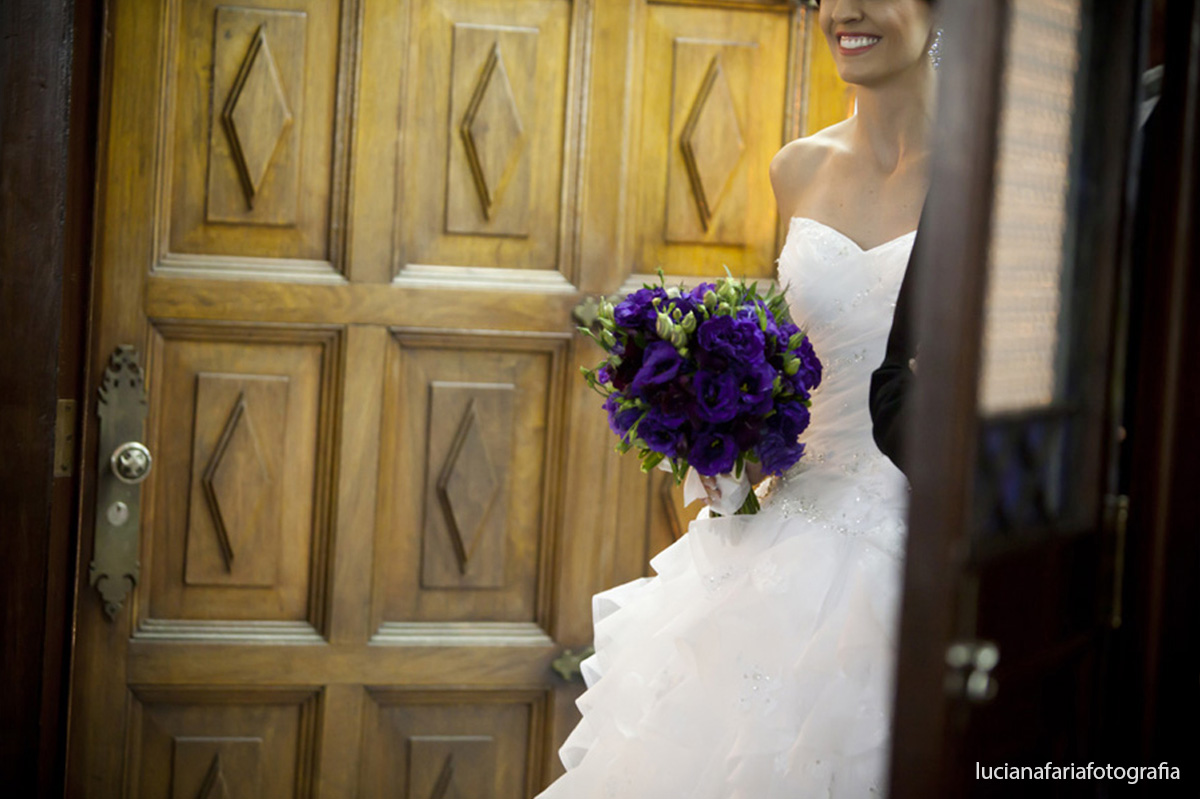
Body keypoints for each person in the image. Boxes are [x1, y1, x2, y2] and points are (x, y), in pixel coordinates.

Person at [536, 1, 937, 796]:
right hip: (783, 525)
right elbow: (796, 359)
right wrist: (717, 434)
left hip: (920, 532)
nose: (845, 10)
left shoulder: (993, 176)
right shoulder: (798, 167)